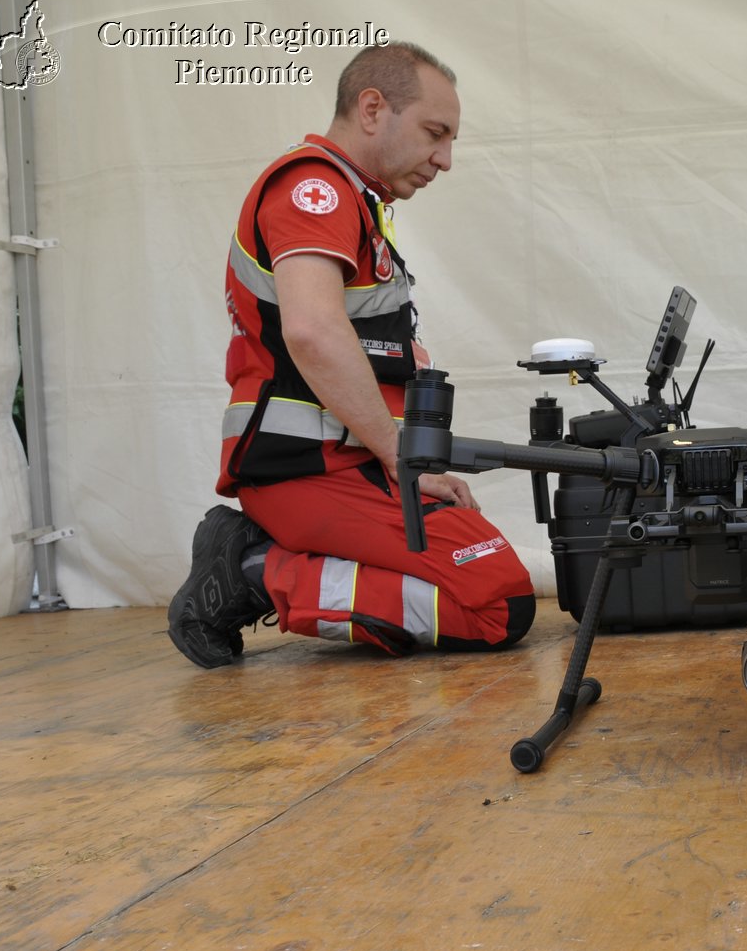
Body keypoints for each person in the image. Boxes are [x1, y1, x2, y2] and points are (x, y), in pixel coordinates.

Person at [168, 42, 535, 668]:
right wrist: (397, 455)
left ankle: (270, 550)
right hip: (305, 470)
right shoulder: (317, 188)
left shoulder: (358, 203)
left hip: (349, 463)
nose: (445, 159)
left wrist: (405, 455)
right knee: (495, 606)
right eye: (435, 133)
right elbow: (312, 331)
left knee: (493, 581)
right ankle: (254, 571)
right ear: (372, 108)